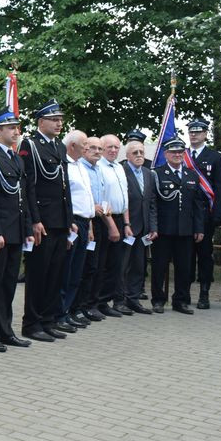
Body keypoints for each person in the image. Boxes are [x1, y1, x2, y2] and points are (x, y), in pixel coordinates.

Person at [20, 99, 75, 339]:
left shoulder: (59, 148)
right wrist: (34, 219)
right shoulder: (30, 145)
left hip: (60, 220)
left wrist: (70, 218)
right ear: (41, 121)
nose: (59, 123)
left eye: (60, 119)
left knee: (55, 274)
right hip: (43, 221)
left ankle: (49, 319)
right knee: (38, 275)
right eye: (54, 119)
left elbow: (65, 188)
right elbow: (28, 186)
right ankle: (32, 323)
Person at [0, 109, 34, 346]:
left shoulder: (16, 158)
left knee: (9, 283)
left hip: (16, 230)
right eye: (10, 127)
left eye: (17, 127)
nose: (16, 132)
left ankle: (5, 330)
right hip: (0, 231)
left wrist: (28, 228)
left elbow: (22, 196)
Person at [151, 138, 206, 314]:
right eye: (173, 152)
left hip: (185, 230)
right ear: (166, 154)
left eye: (180, 152)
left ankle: (181, 301)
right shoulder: (157, 174)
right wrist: (154, 227)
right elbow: (153, 203)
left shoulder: (192, 175)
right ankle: (158, 300)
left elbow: (198, 205)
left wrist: (199, 228)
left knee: (184, 267)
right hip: (163, 230)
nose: (177, 155)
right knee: (159, 266)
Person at [186, 119, 221, 309]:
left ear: (205, 134)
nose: (194, 135)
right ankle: (183, 292)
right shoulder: (182, 154)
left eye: (198, 132)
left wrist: (217, 216)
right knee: (185, 255)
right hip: (185, 214)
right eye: (191, 132)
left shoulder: (215, 158)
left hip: (205, 214)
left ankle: (204, 293)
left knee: (204, 254)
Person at [71, 137, 114, 322]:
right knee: (82, 268)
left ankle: (87, 305)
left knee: (93, 267)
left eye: (99, 148)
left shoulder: (98, 169)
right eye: (93, 148)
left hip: (98, 221)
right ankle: (77, 307)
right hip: (84, 222)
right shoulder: (78, 167)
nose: (97, 151)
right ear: (84, 149)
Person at [60, 130, 96, 327]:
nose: (87, 148)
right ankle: (59, 313)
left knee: (76, 273)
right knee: (66, 271)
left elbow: (87, 198)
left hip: (84, 222)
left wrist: (89, 226)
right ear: (72, 146)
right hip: (71, 222)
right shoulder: (64, 165)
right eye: (84, 145)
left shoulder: (80, 165)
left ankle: (69, 311)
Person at [96, 134, 133, 316]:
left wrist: (126, 223)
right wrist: (111, 225)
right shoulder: (99, 167)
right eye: (109, 147)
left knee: (115, 265)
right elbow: (101, 199)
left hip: (120, 219)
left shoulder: (119, 167)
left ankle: (107, 301)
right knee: (103, 264)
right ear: (102, 148)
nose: (113, 150)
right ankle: (99, 302)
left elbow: (124, 198)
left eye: (116, 147)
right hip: (105, 219)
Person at [119, 141, 158, 314]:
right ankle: (118, 300)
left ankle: (133, 299)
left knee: (138, 265)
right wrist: (125, 224)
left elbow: (152, 203)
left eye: (141, 152)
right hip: (126, 227)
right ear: (127, 156)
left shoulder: (149, 174)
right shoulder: (121, 171)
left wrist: (153, 227)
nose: (139, 155)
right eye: (135, 152)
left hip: (143, 228)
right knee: (122, 265)